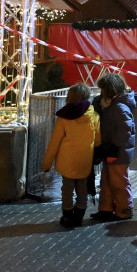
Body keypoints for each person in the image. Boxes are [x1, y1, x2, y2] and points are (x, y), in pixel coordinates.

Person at [42, 82, 100, 228]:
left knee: (67, 189)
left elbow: (55, 142)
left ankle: (67, 217)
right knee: (82, 189)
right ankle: (79, 217)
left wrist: (46, 164)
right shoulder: (94, 115)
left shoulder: (64, 117)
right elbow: (98, 140)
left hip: (66, 160)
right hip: (84, 160)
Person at [91, 72, 135, 221]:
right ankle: (106, 209)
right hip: (112, 150)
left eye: (103, 90)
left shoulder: (120, 107)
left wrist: (114, 148)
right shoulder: (112, 105)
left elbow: (125, 130)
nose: (101, 93)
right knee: (107, 181)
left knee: (119, 182)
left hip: (118, 152)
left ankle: (124, 210)